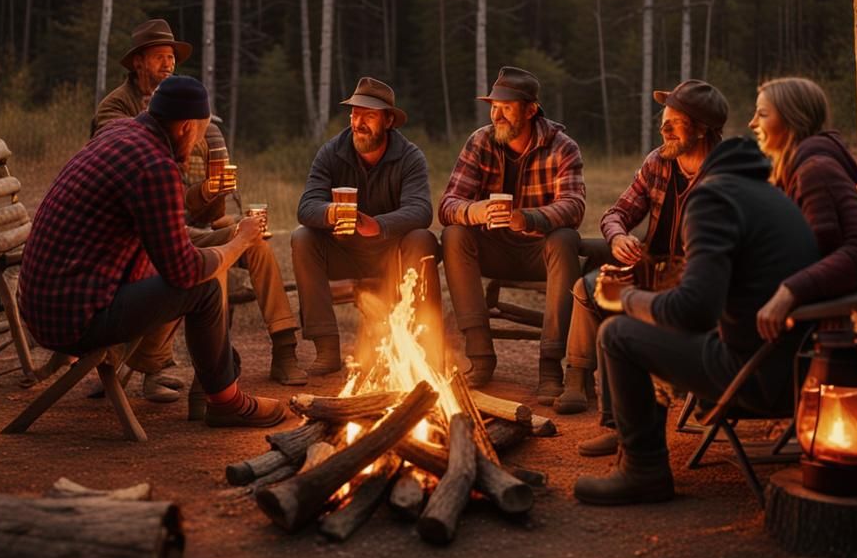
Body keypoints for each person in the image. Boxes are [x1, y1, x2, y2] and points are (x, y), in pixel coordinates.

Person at [18, 76, 286, 428]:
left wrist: (223, 239)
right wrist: (239, 243)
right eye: (201, 133)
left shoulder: (120, 134)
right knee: (202, 286)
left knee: (197, 264)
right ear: (186, 127)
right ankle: (225, 400)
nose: (199, 143)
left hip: (43, 302)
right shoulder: (155, 167)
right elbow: (185, 271)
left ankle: (214, 380)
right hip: (73, 318)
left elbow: (165, 234)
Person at [572, 136, 819, 506]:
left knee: (617, 333)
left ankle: (644, 470)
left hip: (751, 376)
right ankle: (628, 440)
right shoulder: (774, 198)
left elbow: (695, 310)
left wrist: (624, 298)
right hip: (801, 374)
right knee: (648, 325)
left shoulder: (713, 198)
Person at [92, 19, 305, 395]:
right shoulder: (116, 110)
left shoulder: (195, 122)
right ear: (137, 62)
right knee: (208, 264)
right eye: (160, 57)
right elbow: (126, 172)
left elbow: (207, 211)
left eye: (171, 58)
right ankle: (167, 370)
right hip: (137, 228)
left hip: (187, 224)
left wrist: (212, 193)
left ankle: (284, 348)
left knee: (255, 242)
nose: (168, 64)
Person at [563, 80, 728, 447]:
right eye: (663, 120)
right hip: (654, 274)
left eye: (675, 122)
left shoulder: (725, 174)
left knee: (622, 307)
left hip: (699, 288)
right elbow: (616, 213)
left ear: (701, 128)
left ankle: (638, 422)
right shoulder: (658, 162)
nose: (663, 128)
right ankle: (609, 415)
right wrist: (619, 237)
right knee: (591, 287)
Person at [439, 66, 586, 393]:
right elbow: (448, 205)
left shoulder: (562, 147)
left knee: (564, 239)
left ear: (531, 109)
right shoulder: (480, 141)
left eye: (506, 106)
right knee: (454, 234)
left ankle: (550, 367)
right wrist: (472, 211)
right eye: (494, 106)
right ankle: (480, 357)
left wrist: (528, 218)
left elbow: (574, 205)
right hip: (492, 248)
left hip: (538, 250)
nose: (497, 114)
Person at [291, 77, 441, 376]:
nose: (359, 122)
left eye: (369, 115)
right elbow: (306, 207)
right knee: (303, 238)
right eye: (355, 114)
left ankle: (425, 345)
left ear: (387, 120)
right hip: (343, 250)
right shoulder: (331, 152)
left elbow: (421, 210)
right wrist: (333, 212)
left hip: (392, 254)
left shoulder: (409, 156)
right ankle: (326, 348)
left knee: (423, 239)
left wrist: (379, 225)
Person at [748, 77, 857, 340]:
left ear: (792, 120)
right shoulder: (791, 174)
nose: (752, 123)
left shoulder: (815, 170)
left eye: (762, 114)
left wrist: (790, 291)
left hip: (820, 330)